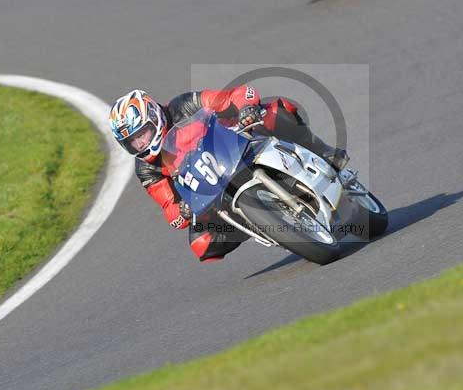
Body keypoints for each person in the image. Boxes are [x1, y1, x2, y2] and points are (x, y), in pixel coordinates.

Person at [109, 85, 348, 262]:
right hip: (210, 192)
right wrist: (182, 211)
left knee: (275, 111)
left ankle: (323, 152)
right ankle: (262, 224)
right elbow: (169, 209)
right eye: (133, 142)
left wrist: (246, 109)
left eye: (143, 134)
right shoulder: (147, 169)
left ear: (154, 116)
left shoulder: (184, 104)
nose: (141, 144)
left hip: (237, 145)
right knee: (201, 244)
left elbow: (235, 95)